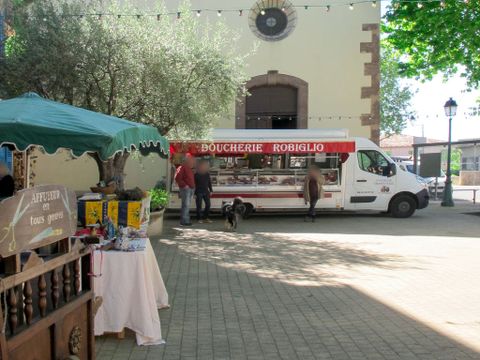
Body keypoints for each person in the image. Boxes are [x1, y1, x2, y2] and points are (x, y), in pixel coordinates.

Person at [174, 155, 195, 226]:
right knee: (186, 205)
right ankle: (184, 221)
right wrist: (185, 185)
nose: (193, 162)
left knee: (187, 205)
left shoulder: (189, 168)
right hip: (186, 189)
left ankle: (186, 220)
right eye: (191, 161)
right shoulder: (181, 167)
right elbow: (177, 177)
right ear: (186, 161)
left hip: (190, 189)